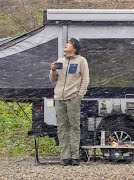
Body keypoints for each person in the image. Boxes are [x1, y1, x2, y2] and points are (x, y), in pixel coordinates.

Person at [49, 38, 89, 166]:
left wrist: (80, 95)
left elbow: (86, 79)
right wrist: (53, 70)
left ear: (75, 48)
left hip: (73, 98)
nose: (66, 44)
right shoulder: (60, 61)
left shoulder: (81, 60)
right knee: (62, 128)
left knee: (74, 127)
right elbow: (53, 79)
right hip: (59, 98)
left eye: (69, 43)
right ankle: (65, 157)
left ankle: (75, 156)